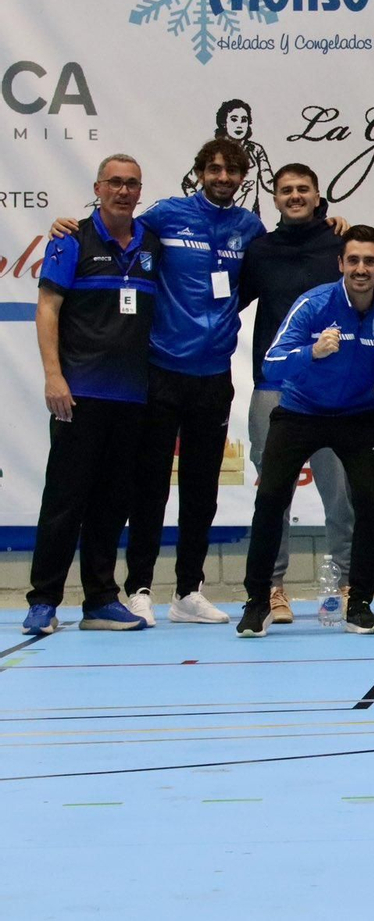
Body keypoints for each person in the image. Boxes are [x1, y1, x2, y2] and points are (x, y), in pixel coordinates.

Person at [237, 226, 374, 636]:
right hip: (300, 413)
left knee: (371, 506)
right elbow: (271, 365)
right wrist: (311, 353)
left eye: (369, 261)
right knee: (270, 500)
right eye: (353, 260)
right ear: (340, 264)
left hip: (357, 416)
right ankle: (256, 601)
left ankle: (361, 606)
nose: (360, 268)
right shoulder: (313, 305)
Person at [118, 139, 266, 624]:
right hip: (161, 371)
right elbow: (114, 234)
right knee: (150, 484)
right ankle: (138, 586)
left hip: (213, 377)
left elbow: (272, 269)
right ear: (200, 172)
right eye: (215, 169)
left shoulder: (249, 228)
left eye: (232, 170)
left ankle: (187, 592)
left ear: (243, 177)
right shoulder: (166, 215)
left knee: (203, 488)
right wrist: (68, 229)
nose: (223, 177)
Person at [23, 154, 162, 635]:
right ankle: (43, 600)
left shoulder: (152, 242)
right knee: (65, 499)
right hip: (78, 392)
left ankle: (101, 599)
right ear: (98, 187)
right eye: (115, 183)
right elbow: (47, 309)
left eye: (132, 184)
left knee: (111, 502)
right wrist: (53, 376)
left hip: (132, 396)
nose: (124, 191)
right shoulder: (70, 240)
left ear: (140, 191)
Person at [238, 163, 354, 623]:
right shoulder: (260, 249)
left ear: (317, 192)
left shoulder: (340, 243)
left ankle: (348, 583)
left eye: (303, 188)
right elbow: (225, 299)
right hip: (275, 388)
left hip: (335, 391)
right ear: (276, 196)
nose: (295, 196)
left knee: (339, 492)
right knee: (273, 496)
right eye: (286, 190)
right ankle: (272, 590)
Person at [182, 99, 274, 215]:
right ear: (224, 122)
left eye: (244, 120)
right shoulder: (215, 151)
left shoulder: (255, 150)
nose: (239, 125)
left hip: (245, 223)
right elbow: (188, 183)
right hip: (211, 219)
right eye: (234, 119)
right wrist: (200, 207)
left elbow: (269, 182)